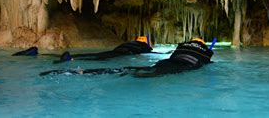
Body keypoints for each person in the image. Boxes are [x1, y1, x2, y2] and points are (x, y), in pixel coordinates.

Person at [39, 38, 216, 77]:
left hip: (166, 61)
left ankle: (76, 66)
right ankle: (81, 71)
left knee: (100, 57)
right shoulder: (204, 52)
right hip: (180, 66)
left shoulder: (182, 45)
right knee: (145, 73)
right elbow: (208, 63)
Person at [12, 36, 153, 63]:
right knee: (96, 58)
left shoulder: (129, 43)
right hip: (116, 54)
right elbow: (149, 52)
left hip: (114, 51)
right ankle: (69, 59)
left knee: (90, 54)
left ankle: (39, 54)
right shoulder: (142, 47)